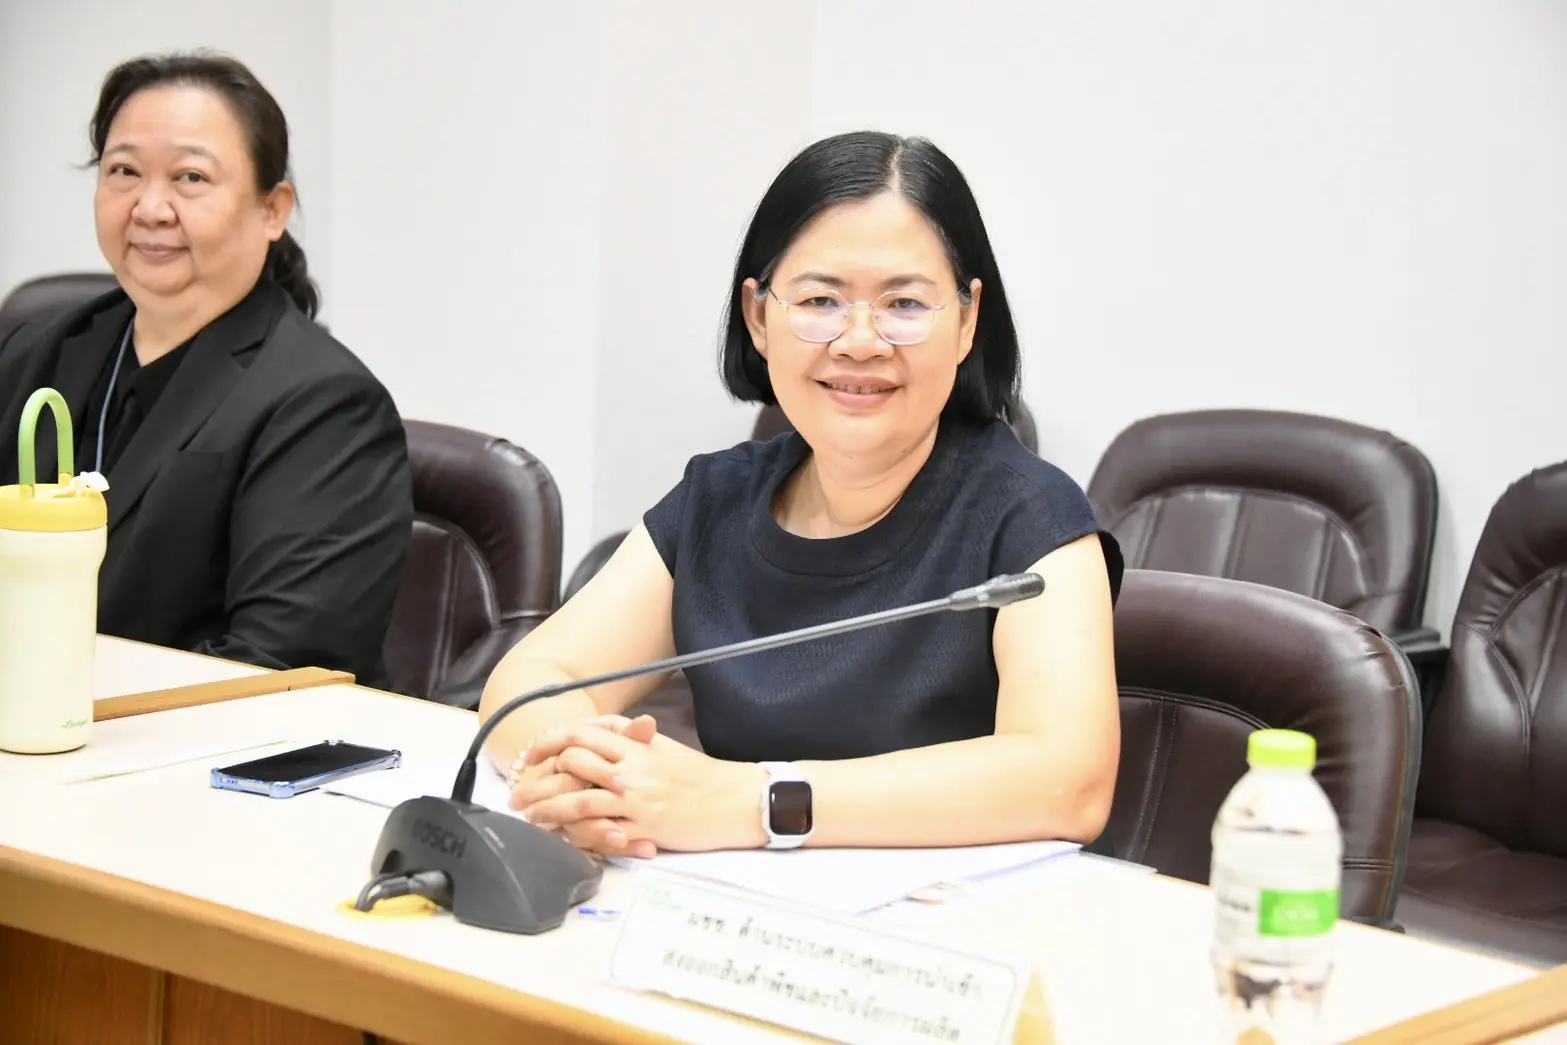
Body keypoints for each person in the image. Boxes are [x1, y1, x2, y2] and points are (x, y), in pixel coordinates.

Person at [483, 131, 1123, 857]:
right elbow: (532, 680)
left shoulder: (1033, 522)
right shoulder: (717, 501)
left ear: (967, 320)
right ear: (759, 317)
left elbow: (1068, 781)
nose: (859, 341)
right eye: (820, 300)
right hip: (729, 904)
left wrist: (754, 803)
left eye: (904, 304)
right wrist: (587, 775)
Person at [0, 52, 412, 689]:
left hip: (198, 741)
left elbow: (278, 667)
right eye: (124, 171)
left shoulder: (327, 406)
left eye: (190, 178)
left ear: (273, 209)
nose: (150, 208)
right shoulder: (42, 351)